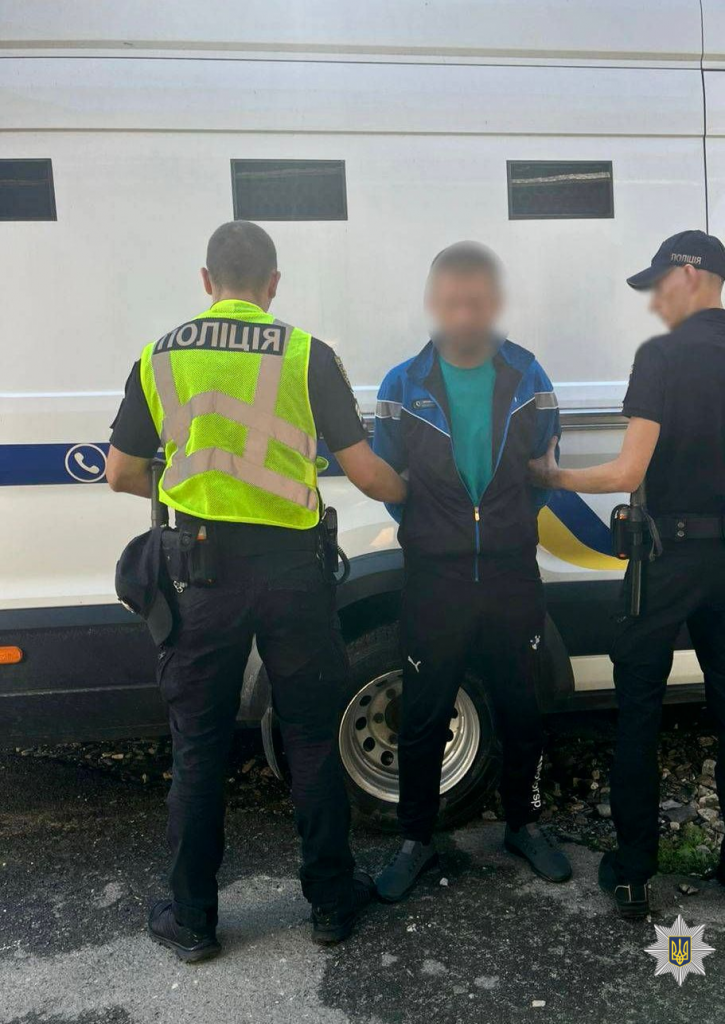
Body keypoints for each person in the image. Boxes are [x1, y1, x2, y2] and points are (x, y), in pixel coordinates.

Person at [106, 220, 407, 960]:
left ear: (206, 281)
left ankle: (193, 921)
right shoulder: (306, 353)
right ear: (273, 284)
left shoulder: (160, 355)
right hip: (294, 574)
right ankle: (331, 904)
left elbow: (120, 472)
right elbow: (367, 474)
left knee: (199, 746)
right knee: (310, 736)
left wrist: (191, 491)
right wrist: (422, 495)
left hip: (199, 574)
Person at [529, 230, 725, 915]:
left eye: (658, 285)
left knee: (640, 712)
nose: (654, 301)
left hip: (663, 564)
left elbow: (628, 471)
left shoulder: (661, 357)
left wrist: (552, 475)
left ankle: (633, 875)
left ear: (690, 274)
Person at [371, 241, 572, 901]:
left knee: (522, 707)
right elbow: (390, 480)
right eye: (453, 301)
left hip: (512, 571)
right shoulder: (402, 385)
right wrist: (444, 528)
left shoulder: (528, 375)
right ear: (434, 302)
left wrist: (502, 525)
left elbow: (542, 472)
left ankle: (524, 824)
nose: (464, 314)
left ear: (495, 303)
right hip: (435, 577)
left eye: (477, 302)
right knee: (423, 714)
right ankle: (415, 838)